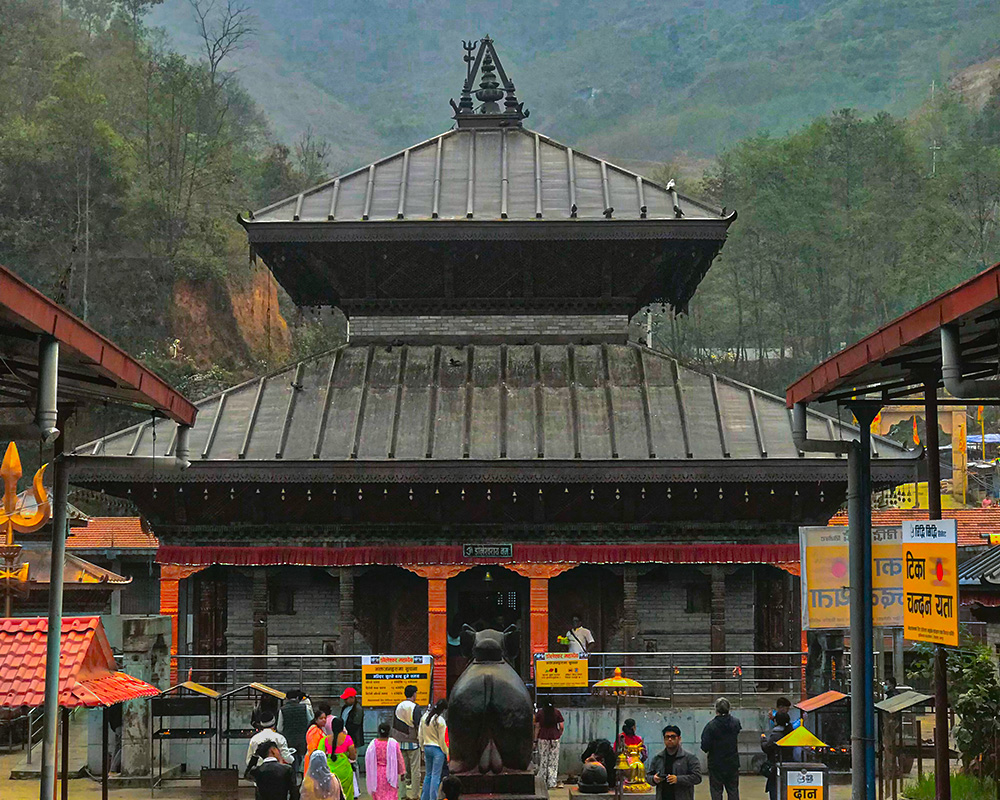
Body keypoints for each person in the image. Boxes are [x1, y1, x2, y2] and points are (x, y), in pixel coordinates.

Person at [700, 698, 742, 800]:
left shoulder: (710, 726)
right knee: (733, 790)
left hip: (716, 764)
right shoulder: (735, 722)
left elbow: (705, 746)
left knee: (716, 791)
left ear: (716, 710)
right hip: (732, 762)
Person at [648, 725, 703, 800]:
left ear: (679, 738)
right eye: (667, 737)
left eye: (673, 737)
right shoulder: (658, 758)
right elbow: (648, 776)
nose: (670, 739)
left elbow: (697, 777)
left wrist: (678, 779)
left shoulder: (689, 758)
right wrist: (654, 779)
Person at [391, 685, 423, 800]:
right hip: (413, 743)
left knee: (401, 771)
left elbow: (394, 725)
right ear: (414, 694)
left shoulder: (397, 707)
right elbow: (419, 726)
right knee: (415, 771)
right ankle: (415, 795)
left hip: (399, 743)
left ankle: (402, 795)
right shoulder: (416, 708)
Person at [366, 722, 406, 800]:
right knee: (390, 795)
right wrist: (402, 773)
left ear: (378, 732)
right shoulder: (394, 744)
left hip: (376, 774)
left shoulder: (373, 744)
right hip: (391, 774)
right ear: (389, 732)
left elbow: (368, 760)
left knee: (379, 795)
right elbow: (399, 759)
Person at [419, 700, 449, 800]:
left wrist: (422, 748)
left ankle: (424, 797)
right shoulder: (440, 721)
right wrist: (446, 753)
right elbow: (442, 740)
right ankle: (434, 798)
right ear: (444, 710)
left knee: (428, 775)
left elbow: (420, 734)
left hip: (427, 747)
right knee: (436, 776)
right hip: (437, 750)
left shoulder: (425, 717)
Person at [280, 690, 315, 776]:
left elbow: (279, 727)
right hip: (302, 739)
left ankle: (292, 780)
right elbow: (310, 720)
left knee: (291, 760)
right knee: (302, 762)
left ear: (287, 698)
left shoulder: (282, 710)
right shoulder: (304, 708)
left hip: (289, 739)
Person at [322, 717, 358, 800]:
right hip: (344, 771)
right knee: (347, 793)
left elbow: (320, 755)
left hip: (330, 771)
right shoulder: (348, 739)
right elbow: (353, 756)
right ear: (342, 726)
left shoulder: (325, 740)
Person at [533, 700, 564, 789]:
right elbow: (561, 726)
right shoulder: (557, 712)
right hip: (555, 737)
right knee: (553, 761)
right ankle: (551, 782)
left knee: (543, 759)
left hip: (542, 737)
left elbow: (537, 727)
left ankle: (542, 782)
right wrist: (558, 734)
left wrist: (535, 741)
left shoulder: (540, 713)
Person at [760, 712, 791, 800]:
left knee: (774, 789)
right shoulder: (790, 732)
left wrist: (763, 740)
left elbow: (767, 748)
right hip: (789, 764)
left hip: (775, 766)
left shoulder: (776, 735)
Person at [617, 719, 651, 792]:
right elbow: (645, 755)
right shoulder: (637, 739)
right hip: (627, 763)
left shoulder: (621, 737)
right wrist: (641, 760)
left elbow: (616, 751)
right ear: (633, 727)